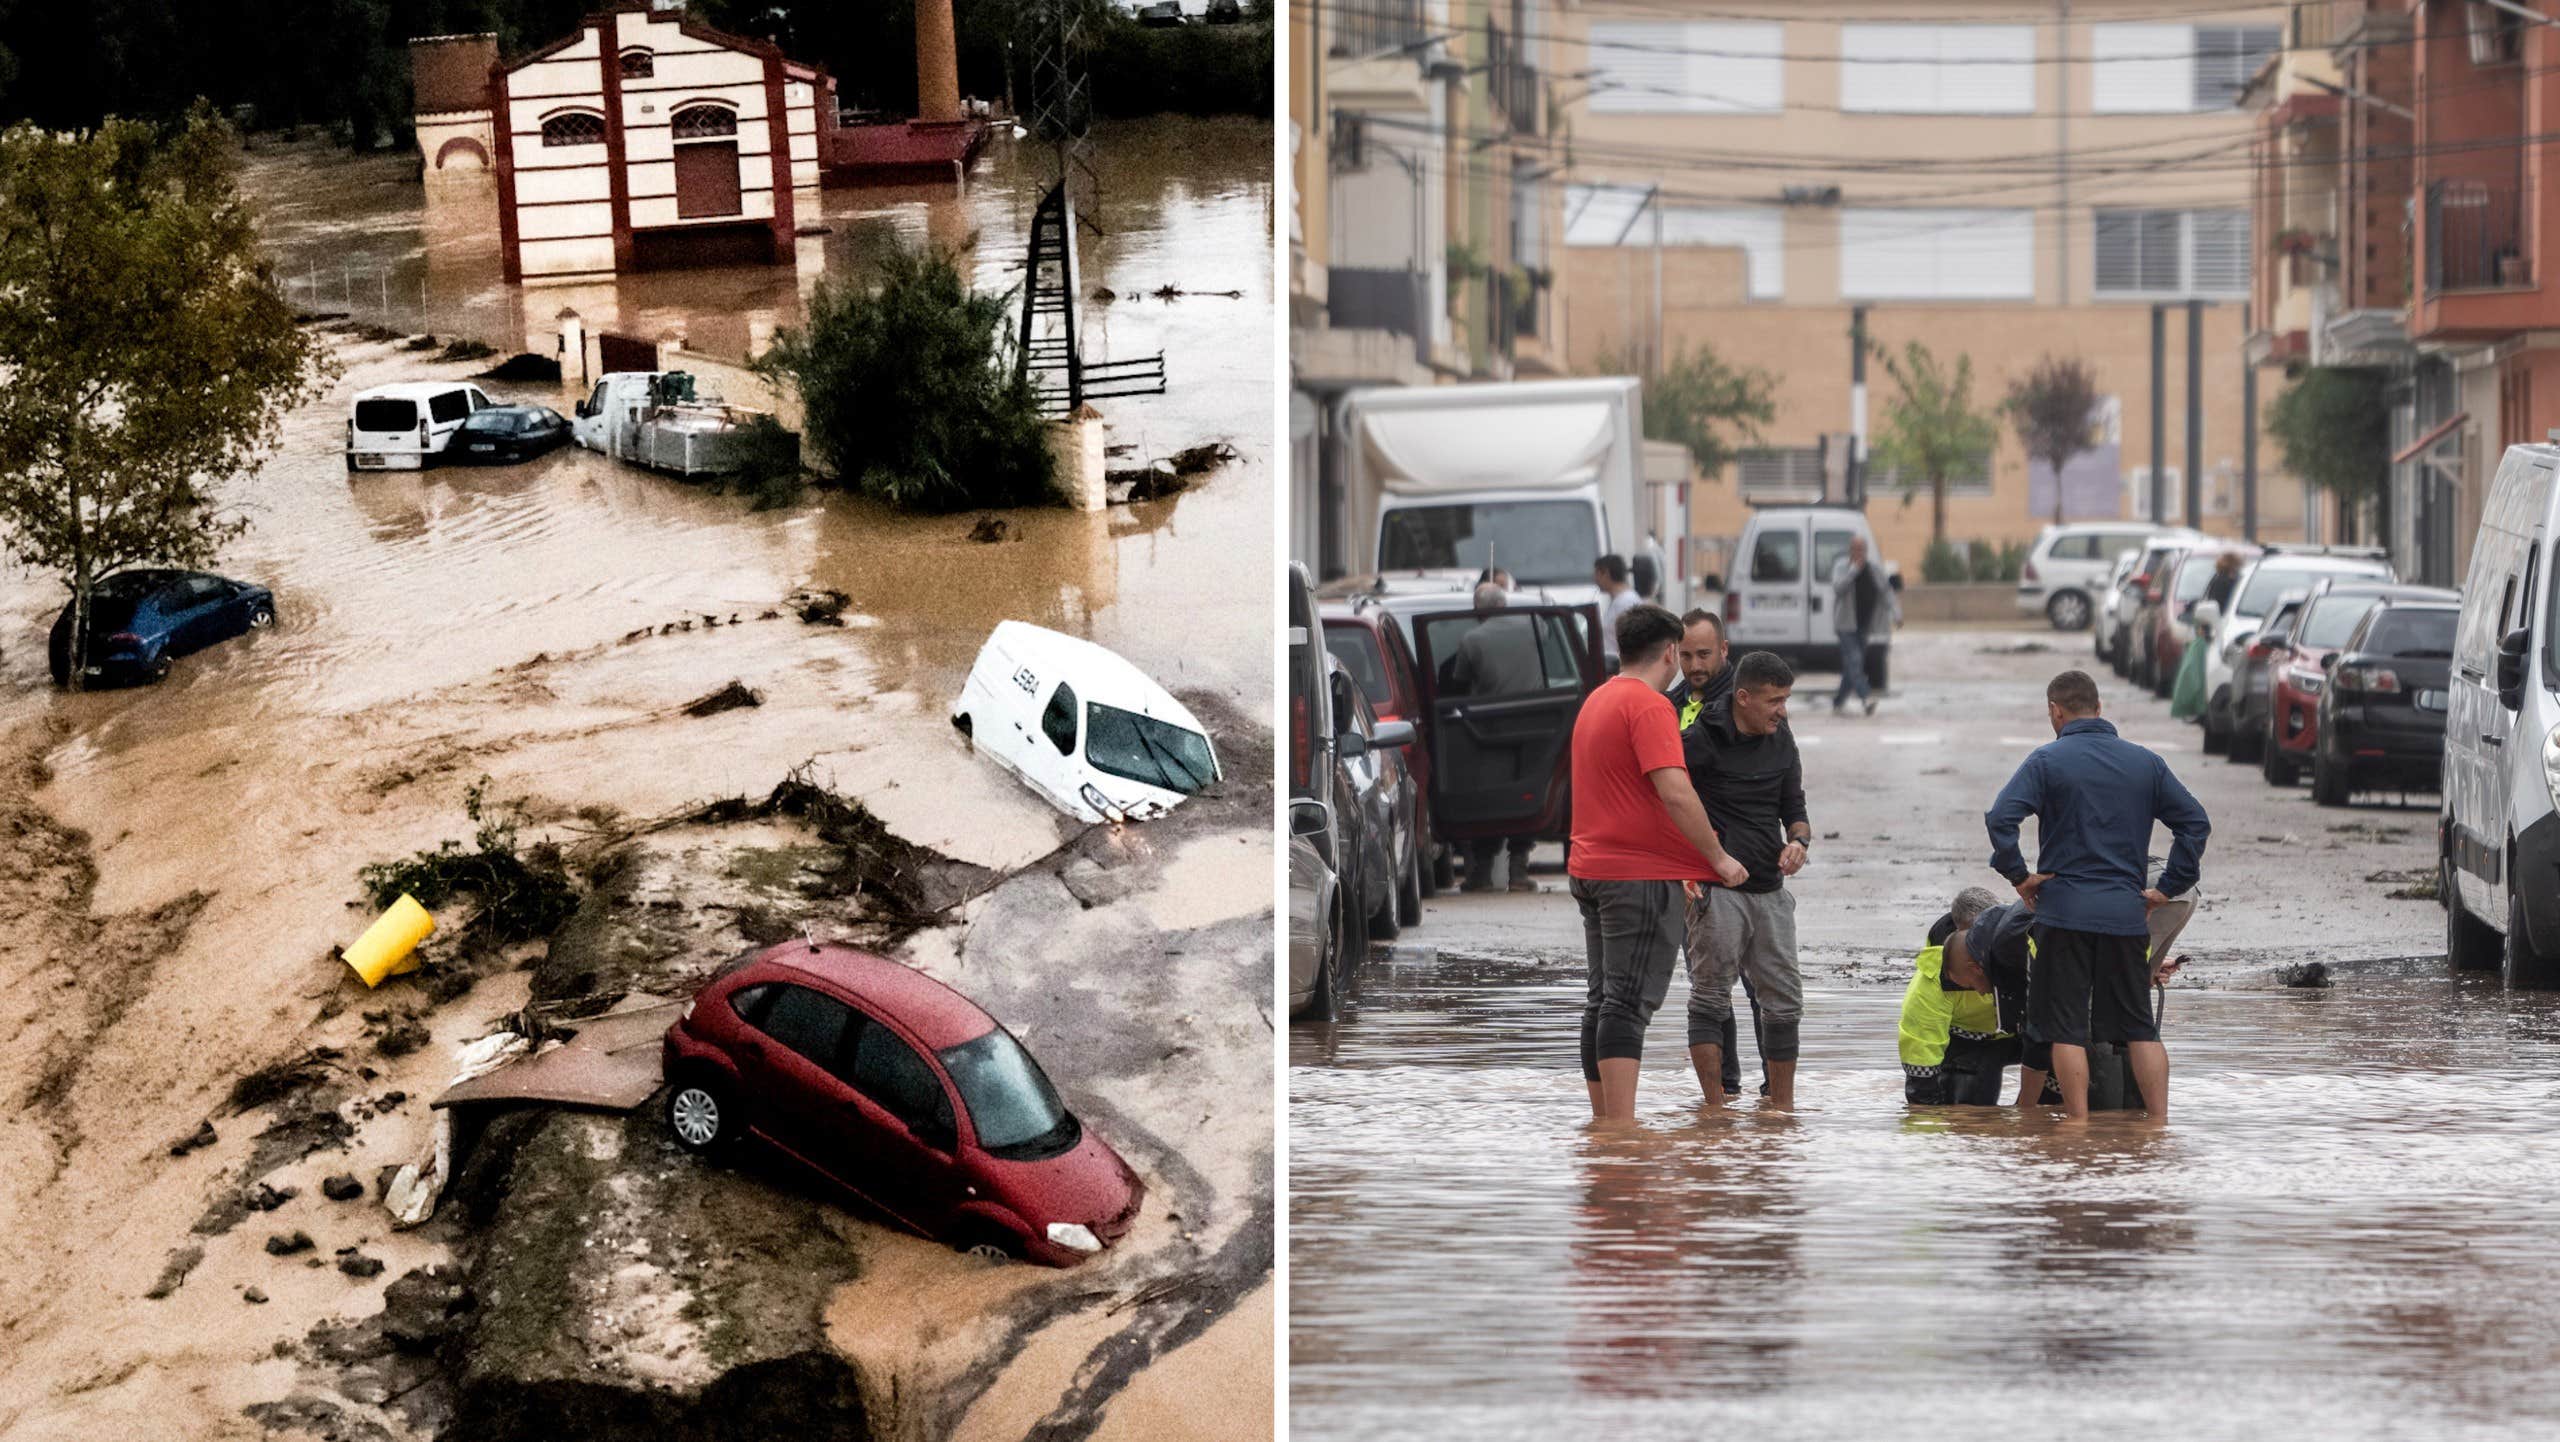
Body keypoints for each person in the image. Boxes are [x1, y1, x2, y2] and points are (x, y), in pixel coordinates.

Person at [1985, 669, 2211, 1119]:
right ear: (2100, 708)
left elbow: (2000, 820)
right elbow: (2194, 823)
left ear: (2055, 711)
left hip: (2063, 915)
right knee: (2139, 1028)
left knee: (2066, 1028)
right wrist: (2166, 888)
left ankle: (2078, 1127)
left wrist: (2019, 876)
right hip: (2127, 916)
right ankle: (2159, 1126)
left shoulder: (2046, 762)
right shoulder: (2146, 762)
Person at [1569, 603, 1750, 1122]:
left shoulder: (1597, 701)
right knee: (1627, 1004)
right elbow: (1674, 790)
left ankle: (1603, 1125)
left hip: (1591, 870)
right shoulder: (1650, 707)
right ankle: (1621, 1132)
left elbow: (1625, 795)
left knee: (1602, 1000)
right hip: (1634, 878)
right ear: (1670, 651)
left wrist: (1685, 865)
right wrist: (1715, 857)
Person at [1680, 650, 1809, 1110]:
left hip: (1770, 889)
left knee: (1784, 1002)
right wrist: (1687, 867)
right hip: (1718, 892)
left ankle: (1782, 1110)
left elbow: (1794, 806)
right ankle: (1714, 1111)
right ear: (1743, 698)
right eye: (1774, 700)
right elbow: (1668, 801)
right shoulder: (1701, 739)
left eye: (1786, 699)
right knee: (1711, 998)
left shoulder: (1782, 737)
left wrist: (1799, 842)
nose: (1782, 710)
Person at [1900, 888, 2041, 1106]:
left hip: (2030, 1036)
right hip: (1971, 1045)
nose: (1983, 949)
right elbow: (1921, 1049)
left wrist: (2027, 1109)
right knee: (1963, 1110)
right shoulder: (1935, 975)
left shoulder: (2030, 946)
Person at [1447, 580, 1541, 892]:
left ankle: (1481, 874)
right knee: (1527, 794)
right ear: (1505, 604)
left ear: (1478, 610)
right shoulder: (1536, 625)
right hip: (1535, 724)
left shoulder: (1472, 639)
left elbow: (1457, 685)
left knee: (1490, 799)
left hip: (1488, 730)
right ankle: (1518, 871)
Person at [1829, 537, 1898, 716]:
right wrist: (1853, 571)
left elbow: (1886, 592)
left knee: (1852, 666)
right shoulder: (1841, 567)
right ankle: (1866, 698)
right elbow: (1838, 587)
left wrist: (1897, 614)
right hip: (1845, 625)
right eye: (1855, 549)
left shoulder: (1873, 569)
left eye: (1862, 549)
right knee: (1855, 661)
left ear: (1866, 551)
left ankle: (1838, 701)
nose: (1859, 553)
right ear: (1850, 550)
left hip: (1863, 625)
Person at [1666, 609, 1732, 731]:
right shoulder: (1667, 704)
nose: (1695, 666)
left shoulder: (1740, 707)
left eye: (1703, 654)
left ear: (1723, 649)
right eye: (1686, 655)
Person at [1594, 554, 1637, 668]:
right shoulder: (1619, 601)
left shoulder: (1626, 602)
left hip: (1619, 669)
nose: (1595, 580)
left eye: (1597, 574)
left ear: (1605, 573)